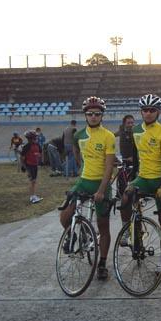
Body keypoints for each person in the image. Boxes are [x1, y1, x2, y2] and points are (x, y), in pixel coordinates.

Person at [59, 97, 116, 280]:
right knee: (65, 215)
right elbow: (76, 150)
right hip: (84, 180)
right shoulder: (78, 135)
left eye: (97, 114)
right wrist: (80, 164)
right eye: (90, 114)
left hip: (101, 183)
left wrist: (101, 190)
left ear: (102, 115)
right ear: (85, 115)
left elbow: (109, 167)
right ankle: (77, 235)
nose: (93, 117)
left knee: (103, 226)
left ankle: (102, 263)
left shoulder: (108, 136)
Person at [120, 94, 161, 253]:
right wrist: (132, 178)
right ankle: (128, 230)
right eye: (145, 110)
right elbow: (136, 156)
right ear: (141, 112)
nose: (148, 113)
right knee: (125, 197)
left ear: (159, 112)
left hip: (160, 179)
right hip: (143, 178)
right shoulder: (135, 131)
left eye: (152, 110)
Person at [20, 130, 43, 204]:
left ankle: (34, 195)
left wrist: (40, 159)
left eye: (35, 137)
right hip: (29, 165)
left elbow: (40, 152)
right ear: (29, 138)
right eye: (34, 137)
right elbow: (22, 157)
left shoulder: (37, 145)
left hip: (35, 165)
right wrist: (23, 166)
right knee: (32, 181)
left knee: (34, 181)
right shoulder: (27, 146)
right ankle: (32, 197)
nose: (35, 139)